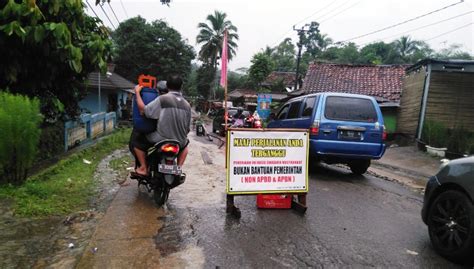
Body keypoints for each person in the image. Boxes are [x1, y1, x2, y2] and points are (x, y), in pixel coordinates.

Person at [131, 75, 191, 177]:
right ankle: (179, 169)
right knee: (185, 146)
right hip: (179, 141)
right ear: (181, 87)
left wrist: (137, 92)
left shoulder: (163, 99)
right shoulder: (187, 105)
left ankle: (143, 168)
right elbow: (188, 129)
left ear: (167, 86)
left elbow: (144, 111)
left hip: (161, 138)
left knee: (137, 141)